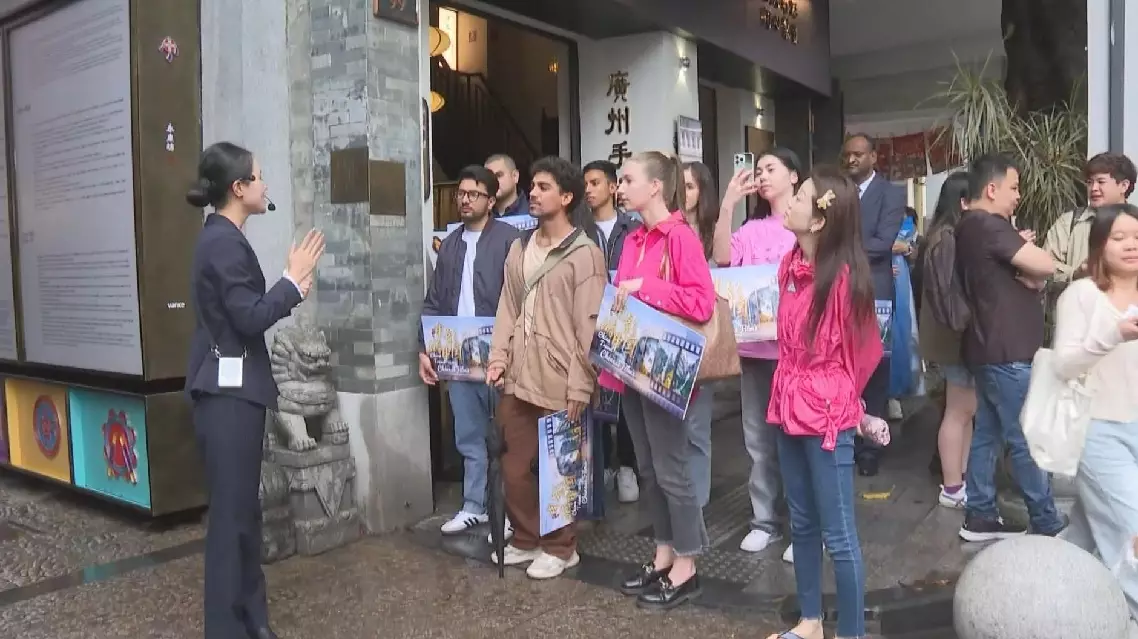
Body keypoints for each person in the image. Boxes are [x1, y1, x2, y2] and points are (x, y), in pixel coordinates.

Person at [185, 142, 325, 639]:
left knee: (244, 515)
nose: (265, 185)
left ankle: (252, 620)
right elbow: (248, 318)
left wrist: (292, 289)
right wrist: (291, 281)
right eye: (259, 177)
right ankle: (229, 627)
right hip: (226, 399)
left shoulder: (224, 237)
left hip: (236, 394)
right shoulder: (223, 242)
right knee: (232, 521)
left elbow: (242, 313)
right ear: (239, 188)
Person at [764, 165, 882, 639]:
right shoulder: (789, 267)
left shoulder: (844, 281)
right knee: (802, 522)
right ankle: (810, 621)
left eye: (800, 197)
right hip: (787, 403)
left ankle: (851, 633)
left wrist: (848, 405)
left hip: (826, 411)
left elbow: (863, 353)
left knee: (839, 534)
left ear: (818, 220)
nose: (790, 200)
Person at [485, 156, 607, 580]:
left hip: (560, 375)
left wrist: (580, 385)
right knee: (513, 465)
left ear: (567, 197)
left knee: (560, 467)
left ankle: (560, 547)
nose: (533, 194)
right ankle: (526, 537)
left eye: (543, 187)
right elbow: (507, 307)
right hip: (519, 373)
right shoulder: (519, 248)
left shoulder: (586, 254)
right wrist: (498, 357)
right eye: (532, 187)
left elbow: (589, 325)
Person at [605, 151, 717, 611]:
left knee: (672, 468)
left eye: (627, 179)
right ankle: (664, 554)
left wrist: (646, 289)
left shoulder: (681, 237)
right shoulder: (633, 237)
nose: (620, 187)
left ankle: (687, 564)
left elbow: (702, 302)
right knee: (649, 468)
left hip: (667, 370)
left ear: (655, 187)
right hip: (633, 367)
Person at [955, 153, 1064, 541]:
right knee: (1024, 437)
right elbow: (1046, 265)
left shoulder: (970, 226)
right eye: (1014, 188)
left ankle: (980, 513)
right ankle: (1047, 521)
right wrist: (1028, 257)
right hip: (1006, 350)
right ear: (992, 188)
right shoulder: (988, 224)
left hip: (989, 348)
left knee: (988, 434)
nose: (1018, 196)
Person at [419, 165, 521, 536]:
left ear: (491, 201)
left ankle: (509, 513)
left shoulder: (510, 240)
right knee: (468, 435)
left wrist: (512, 351)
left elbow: (521, 300)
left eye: (473, 194)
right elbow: (434, 301)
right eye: (461, 193)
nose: (464, 200)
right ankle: (474, 506)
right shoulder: (449, 244)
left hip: (500, 356)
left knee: (507, 437)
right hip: (458, 358)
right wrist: (424, 348)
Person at [710, 148, 801, 558]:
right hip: (755, 352)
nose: (762, 176)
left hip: (796, 351)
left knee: (797, 439)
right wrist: (729, 202)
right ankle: (765, 520)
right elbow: (722, 258)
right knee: (759, 440)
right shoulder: (752, 229)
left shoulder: (807, 225)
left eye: (770, 169)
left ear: (794, 176)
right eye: (758, 170)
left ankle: (803, 526)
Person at [1053, 203, 1138, 618]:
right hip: (1098, 429)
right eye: (1119, 238)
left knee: (1087, 533)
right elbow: (1064, 365)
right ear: (1100, 245)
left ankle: (1045, 591)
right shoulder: (1081, 296)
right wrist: (1112, 334)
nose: (1131, 245)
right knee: (1132, 526)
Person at [842, 134, 905, 476]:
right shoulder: (838, 191)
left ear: (873, 157)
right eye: (847, 154)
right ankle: (847, 436)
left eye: (858, 154)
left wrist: (839, 252)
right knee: (845, 365)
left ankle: (870, 447)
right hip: (839, 290)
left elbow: (883, 243)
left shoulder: (891, 194)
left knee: (876, 366)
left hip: (875, 291)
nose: (851, 160)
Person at [583, 159, 641, 503]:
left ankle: (628, 466)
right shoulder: (580, 230)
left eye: (595, 183)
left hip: (627, 325)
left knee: (627, 399)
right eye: (586, 184)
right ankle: (603, 463)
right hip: (591, 324)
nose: (589, 190)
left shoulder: (632, 229)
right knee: (596, 394)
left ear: (612, 186)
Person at [918, 172, 975, 509]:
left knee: (962, 411)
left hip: (951, 337)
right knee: (958, 411)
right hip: (955, 338)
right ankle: (953, 486)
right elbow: (948, 296)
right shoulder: (948, 239)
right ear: (963, 201)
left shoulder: (941, 235)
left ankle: (959, 480)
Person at [680, 160, 721, 507]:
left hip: (702, 339)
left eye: (690, 187)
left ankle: (697, 503)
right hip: (669, 335)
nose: (683, 193)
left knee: (696, 428)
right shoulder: (665, 229)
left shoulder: (712, 235)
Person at [1044, 153, 1137, 284]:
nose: (1093, 188)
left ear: (1124, 186)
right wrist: (1075, 274)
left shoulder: (1135, 222)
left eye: (1101, 182)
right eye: (1089, 182)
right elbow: (1044, 264)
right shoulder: (1069, 222)